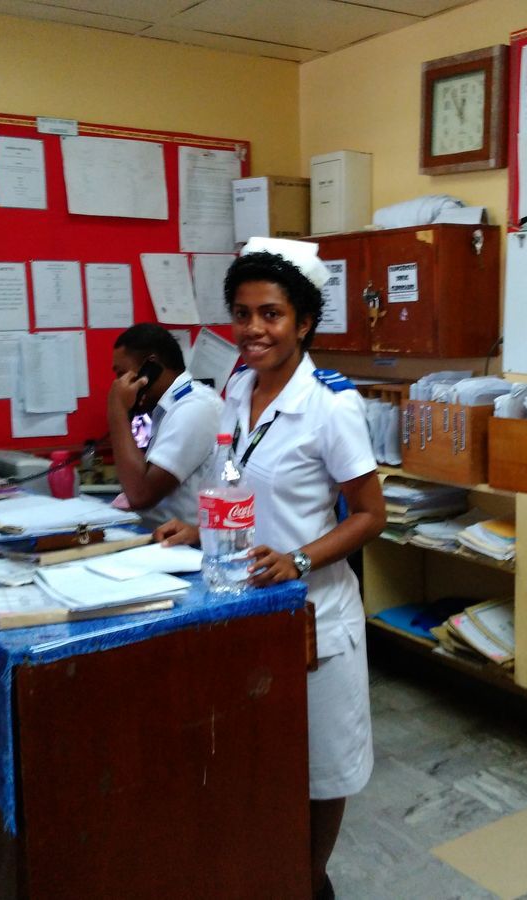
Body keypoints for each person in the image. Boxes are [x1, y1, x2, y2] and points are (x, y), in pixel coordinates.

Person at [154, 237, 386, 899]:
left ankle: (309, 883)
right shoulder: (236, 389)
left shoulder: (331, 406)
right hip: (244, 605)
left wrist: (299, 558)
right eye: (242, 313)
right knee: (263, 758)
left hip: (314, 615)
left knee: (323, 768)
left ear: (303, 322)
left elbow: (371, 515)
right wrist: (201, 529)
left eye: (271, 314)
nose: (253, 328)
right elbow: (240, 482)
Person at [108, 323, 222, 528]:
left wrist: (118, 411)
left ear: (150, 368)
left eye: (121, 373)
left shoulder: (194, 407)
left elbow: (140, 495)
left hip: (186, 540)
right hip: (158, 532)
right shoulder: (168, 407)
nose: (118, 384)